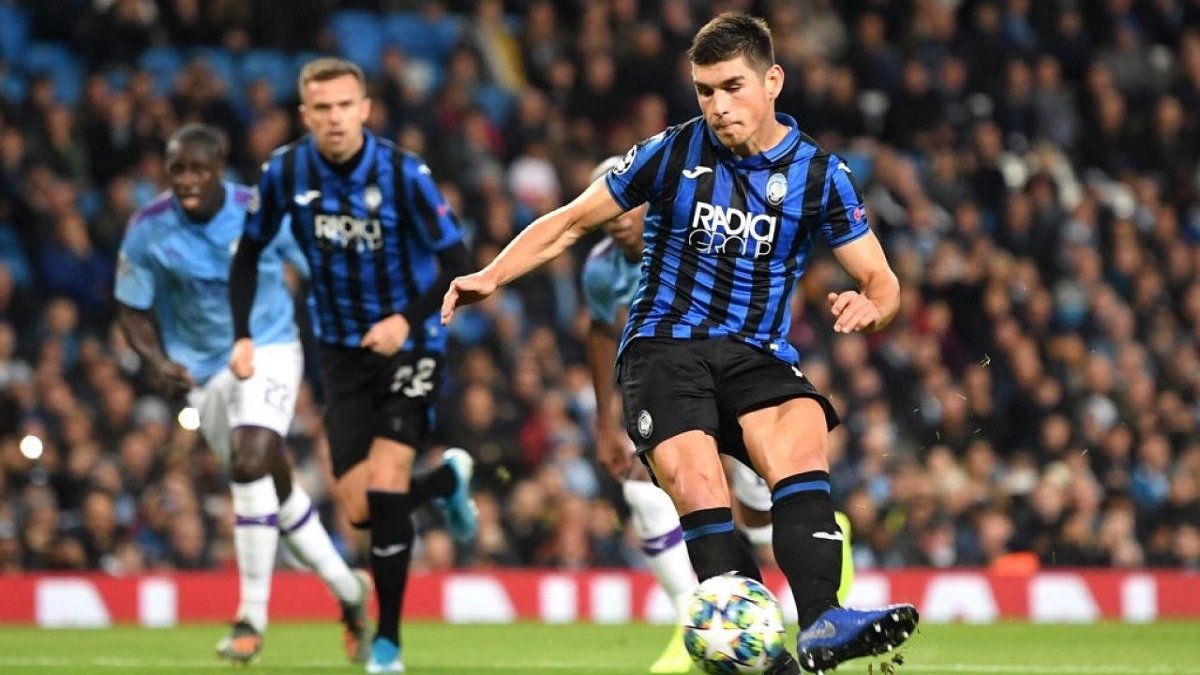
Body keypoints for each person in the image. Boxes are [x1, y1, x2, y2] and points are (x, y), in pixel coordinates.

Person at [444, 13, 916, 674]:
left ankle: (822, 620)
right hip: (665, 348)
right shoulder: (672, 152)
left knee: (802, 438)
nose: (718, 106)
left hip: (756, 353)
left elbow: (883, 281)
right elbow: (573, 221)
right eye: (704, 90)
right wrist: (492, 275)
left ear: (772, 81)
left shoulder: (820, 175)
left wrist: (873, 306)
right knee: (698, 482)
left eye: (732, 87)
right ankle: (762, 658)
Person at [228, 57, 477, 674]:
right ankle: (444, 484)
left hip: (410, 346)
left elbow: (459, 261)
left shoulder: (403, 174)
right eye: (323, 108)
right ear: (305, 115)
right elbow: (248, 253)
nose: (335, 118)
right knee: (363, 508)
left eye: (345, 106)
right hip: (339, 353)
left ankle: (387, 645)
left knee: (387, 485)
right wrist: (242, 335)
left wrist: (406, 320)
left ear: (364, 109)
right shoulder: (285, 172)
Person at [114, 124, 371, 664]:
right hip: (203, 374)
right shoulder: (147, 229)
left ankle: (250, 618)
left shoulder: (260, 210)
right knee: (271, 485)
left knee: (251, 459)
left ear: (220, 169)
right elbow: (132, 307)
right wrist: (157, 362)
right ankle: (349, 591)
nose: (188, 180)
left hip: (268, 346)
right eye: (178, 169)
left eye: (198, 169)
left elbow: (318, 267)